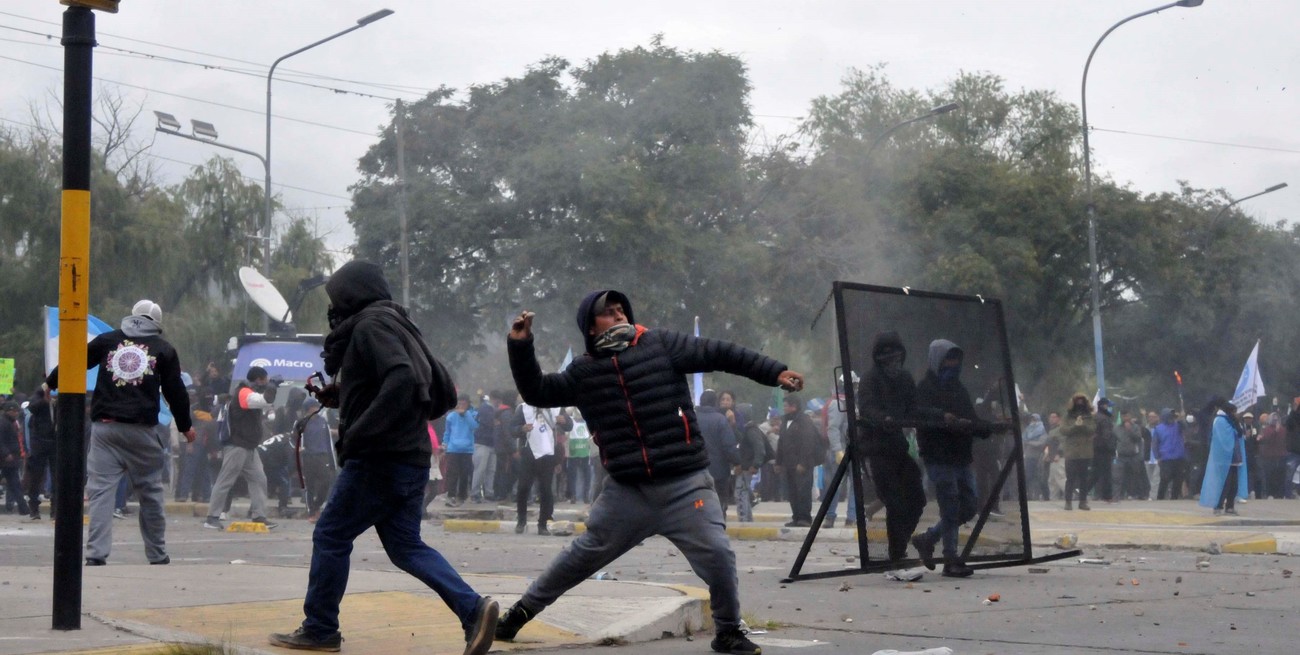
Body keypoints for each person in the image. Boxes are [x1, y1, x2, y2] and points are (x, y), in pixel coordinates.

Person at [496, 289, 804, 655]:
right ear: (590, 329)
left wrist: (773, 371)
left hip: (686, 485)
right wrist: (520, 344)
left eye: (621, 309)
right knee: (579, 558)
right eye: (609, 313)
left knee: (719, 555)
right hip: (627, 491)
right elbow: (536, 390)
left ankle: (728, 632)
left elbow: (719, 352)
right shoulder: (583, 372)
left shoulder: (660, 345)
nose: (620, 316)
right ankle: (516, 617)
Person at [269, 260, 497, 654]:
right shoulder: (399, 325)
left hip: (379, 457)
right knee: (406, 546)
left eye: (336, 298)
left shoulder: (371, 325)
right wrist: (342, 396)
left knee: (331, 534)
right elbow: (405, 379)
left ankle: (320, 629)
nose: (332, 308)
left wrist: (360, 431)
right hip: (409, 457)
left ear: (352, 295)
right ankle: (473, 609)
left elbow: (404, 378)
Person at [46, 300, 194, 565]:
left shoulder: (107, 341)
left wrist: (50, 382)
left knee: (101, 493)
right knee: (150, 493)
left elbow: (74, 361)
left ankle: (95, 554)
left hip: (105, 430)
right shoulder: (164, 349)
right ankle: (157, 554)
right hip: (142, 433)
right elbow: (176, 393)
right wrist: (185, 427)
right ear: (157, 323)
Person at [909, 339, 990, 578]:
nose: (952, 365)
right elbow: (918, 413)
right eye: (948, 359)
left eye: (955, 360)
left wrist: (985, 428)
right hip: (938, 456)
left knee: (969, 505)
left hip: (960, 456)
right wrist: (943, 417)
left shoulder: (959, 388)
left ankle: (928, 538)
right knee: (951, 504)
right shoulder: (925, 388)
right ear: (937, 360)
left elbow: (971, 418)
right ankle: (951, 558)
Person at [856, 331, 927, 561]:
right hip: (876, 448)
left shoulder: (905, 379)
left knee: (917, 498)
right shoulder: (870, 379)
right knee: (895, 502)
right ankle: (897, 553)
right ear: (879, 360)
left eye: (897, 359)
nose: (894, 364)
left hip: (898, 447)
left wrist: (940, 415)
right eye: (888, 360)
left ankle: (900, 544)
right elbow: (867, 409)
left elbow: (916, 408)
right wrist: (884, 419)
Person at [203, 367, 279, 530]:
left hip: (249, 446)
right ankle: (211, 517)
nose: (266, 382)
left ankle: (259, 516)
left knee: (259, 479)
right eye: (265, 379)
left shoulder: (249, 391)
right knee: (225, 480)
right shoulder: (243, 392)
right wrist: (272, 387)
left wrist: (270, 387)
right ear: (259, 379)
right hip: (237, 446)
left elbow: (265, 403)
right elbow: (263, 401)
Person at [511, 401, 565, 534]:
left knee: (546, 490)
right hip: (529, 453)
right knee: (523, 487)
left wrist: (564, 420)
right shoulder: (523, 408)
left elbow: (568, 425)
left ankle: (542, 524)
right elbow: (512, 429)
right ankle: (521, 520)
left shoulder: (556, 407)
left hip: (548, 454)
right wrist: (521, 429)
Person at [777, 395, 823, 528]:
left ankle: (805, 518)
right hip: (788, 464)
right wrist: (778, 462)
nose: (784, 408)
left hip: (802, 464)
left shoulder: (804, 421)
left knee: (803, 491)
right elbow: (781, 442)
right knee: (792, 492)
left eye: (786, 405)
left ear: (794, 406)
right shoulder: (785, 421)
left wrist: (802, 463)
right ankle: (796, 517)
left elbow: (808, 443)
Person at [1199, 397, 1247, 515]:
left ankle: (1230, 506)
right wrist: (1235, 432)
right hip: (1223, 459)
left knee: (1234, 484)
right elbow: (1222, 439)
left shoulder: (1234, 422)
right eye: (1233, 411)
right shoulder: (1220, 420)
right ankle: (1218, 505)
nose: (1235, 413)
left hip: (1235, 458)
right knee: (1224, 483)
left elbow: (1239, 435)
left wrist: (1238, 428)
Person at [697, 390, 738, 521]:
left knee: (699, 499)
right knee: (719, 501)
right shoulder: (720, 420)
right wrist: (737, 462)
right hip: (719, 471)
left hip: (696, 470)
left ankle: (701, 523)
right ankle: (718, 524)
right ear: (715, 402)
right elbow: (729, 446)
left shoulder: (692, 418)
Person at [297, 397, 335, 521]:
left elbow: (328, 442)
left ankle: (317, 505)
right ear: (309, 408)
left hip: (322, 456)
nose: (317, 408)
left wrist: (332, 461)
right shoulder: (302, 422)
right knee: (310, 485)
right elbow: (296, 440)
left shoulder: (323, 422)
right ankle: (311, 512)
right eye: (314, 406)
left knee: (325, 483)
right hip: (308, 457)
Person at [23, 388, 56, 520]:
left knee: (57, 477)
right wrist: (45, 400)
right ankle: (34, 508)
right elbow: (32, 408)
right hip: (39, 442)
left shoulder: (63, 391)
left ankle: (55, 509)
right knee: (36, 476)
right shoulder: (39, 394)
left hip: (56, 441)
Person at [1060, 394, 1096, 511]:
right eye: (1077, 401)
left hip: (1085, 452)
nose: (1080, 403)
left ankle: (1083, 502)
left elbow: (1092, 430)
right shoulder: (1067, 416)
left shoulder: (1089, 416)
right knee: (1070, 478)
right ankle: (1068, 502)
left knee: (1084, 479)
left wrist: (1083, 425)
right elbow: (1063, 430)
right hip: (1071, 452)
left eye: (1082, 401)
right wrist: (1075, 426)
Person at [443, 394, 478, 507]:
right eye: (459, 403)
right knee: (452, 473)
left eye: (464, 403)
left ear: (468, 403)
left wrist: (466, 414)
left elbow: (474, 426)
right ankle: (451, 495)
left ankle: (462, 495)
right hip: (453, 448)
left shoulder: (473, 414)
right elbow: (447, 432)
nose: (461, 405)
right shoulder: (451, 416)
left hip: (467, 449)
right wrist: (445, 444)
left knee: (465, 473)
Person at [734, 413, 768, 523]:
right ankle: (747, 519)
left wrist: (756, 464)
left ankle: (744, 519)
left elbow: (760, 448)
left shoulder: (751, 431)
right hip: (746, 466)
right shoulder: (748, 430)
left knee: (740, 493)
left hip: (747, 466)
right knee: (743, 492)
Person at [469, 392, 499, 503]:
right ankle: (475, 493)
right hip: (482, 442)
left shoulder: (492, 408)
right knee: (480, 469)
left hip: (492, 443)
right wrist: (495, 422)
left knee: (491, 470)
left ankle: (489, 493)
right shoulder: (485, 408)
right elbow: (489, 422)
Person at [0, 402, 29, 516]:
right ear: (8, 411)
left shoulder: (11, 423)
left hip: (11, 459)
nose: (16, 413)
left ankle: (23, 509)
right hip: (6, 459)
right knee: (14, 484)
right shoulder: (3, 423)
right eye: (13, 411)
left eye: (17, 411)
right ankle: (23, 509)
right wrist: (6, 453)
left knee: (15, 484)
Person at [1153, 408, 1188, 500]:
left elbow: (1185, 427)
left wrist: (1181, 418)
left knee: (1178, 479)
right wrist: (1157, 457)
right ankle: (1160, 498)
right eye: (1170, 416)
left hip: (1179, 457)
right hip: (1165, 458)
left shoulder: (1178, 425)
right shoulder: (1158, 428)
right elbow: (1155, 444)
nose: (1172, 418)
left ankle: (1174, 498)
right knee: (1165, 479)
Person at [1090, 398, 1118, 503]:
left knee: (1096, 473)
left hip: (1096, 448)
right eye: (1108, 406)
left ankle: (1084, 492)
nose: (1109, 408)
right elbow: (1107, 435)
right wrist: (1110, 448)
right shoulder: (1104, 419)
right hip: (1104, 449)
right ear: (1103, 406)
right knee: (1106, 473)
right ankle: (1107, 496)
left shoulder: (1096, 417)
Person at [1115, 410, 1146, 500]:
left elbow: (1138, 438)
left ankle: (1139, 494)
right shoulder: (1117, 428)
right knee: (1120, 476)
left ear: (1130, 416)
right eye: (1123, 416)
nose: (1125, 418)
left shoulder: (1135, 427)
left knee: (1136, 475)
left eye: (1127, 416)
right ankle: (1120, 494)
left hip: (1133, 455)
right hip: (1121, 455)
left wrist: (1130, 430)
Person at [1258, 411, 1288, 499]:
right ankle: (1269, 493)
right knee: (1269, 475)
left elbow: (1285, 440)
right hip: (1269, 456)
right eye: (1273, 418)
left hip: (1281, 455)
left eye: (1276, 418)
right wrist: (1275, 431)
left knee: (1280, 475)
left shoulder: (1283, 429)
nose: (1275, 420)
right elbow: (1266, 439)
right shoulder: (1266, 429)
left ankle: (1280, 494)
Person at [1021, 413, 1046, 501]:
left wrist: (1029, 442)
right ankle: (1029, 495)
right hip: (1028, 457)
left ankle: (1039, 495)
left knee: (1038, 476)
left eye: (1035, 420)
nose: (1033, 422)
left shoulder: (1042, 430)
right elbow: (1023, 442)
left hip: (1038, 457)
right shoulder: (1027, 430)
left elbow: (1041, 443)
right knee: (1028, 476)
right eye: (1032, 420)